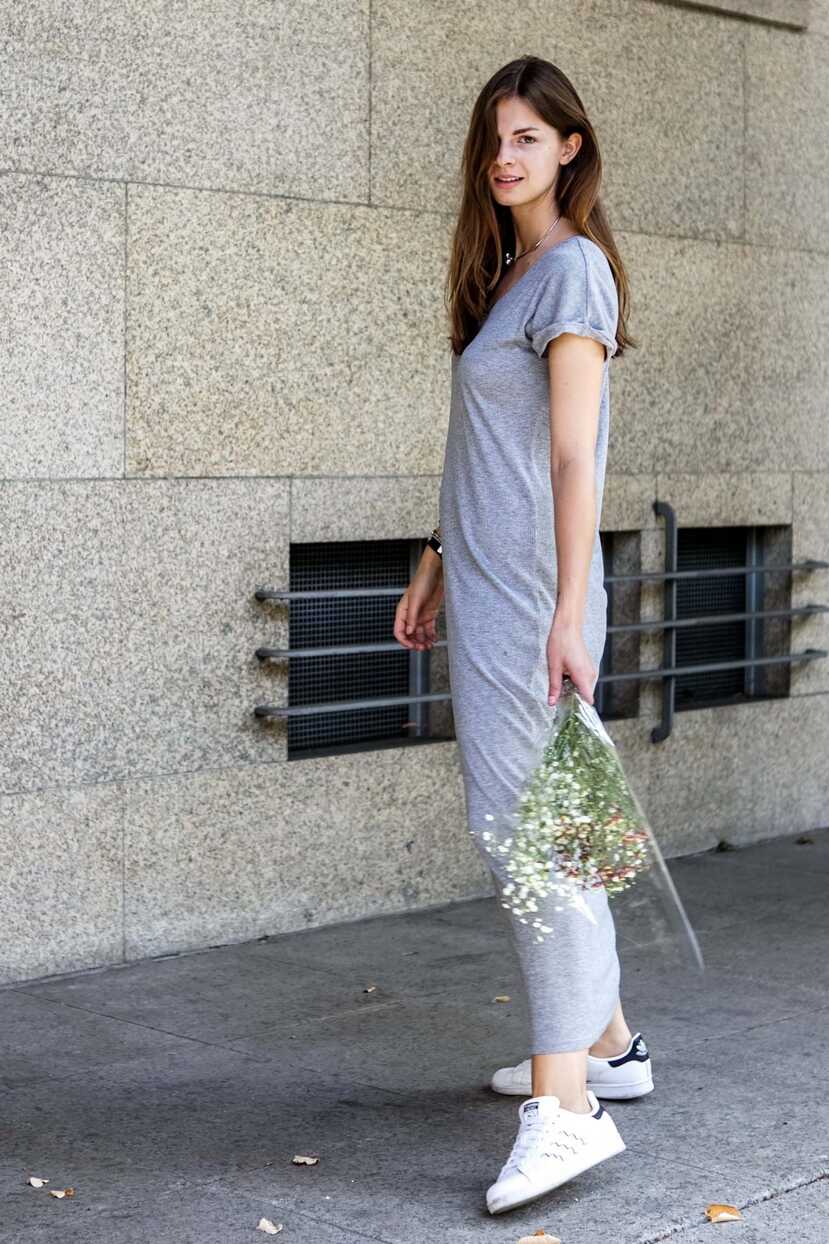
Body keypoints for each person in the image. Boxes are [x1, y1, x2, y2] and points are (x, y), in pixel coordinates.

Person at [394, 56, 653, 1215]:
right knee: (548, 826)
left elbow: (568, 456)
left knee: (529, 836)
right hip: (491, 586)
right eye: (494, 137)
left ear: (570, 151)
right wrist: (440, 555)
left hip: (534, 602)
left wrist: (563, 608)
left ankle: (568, 1112)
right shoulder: (512, 273)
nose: (505, 155)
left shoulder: (576, 274)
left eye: (529, 137)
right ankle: (605, 1043)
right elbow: (489, 452)